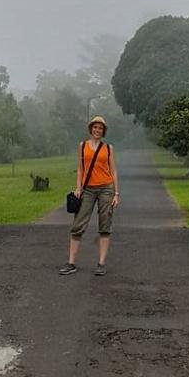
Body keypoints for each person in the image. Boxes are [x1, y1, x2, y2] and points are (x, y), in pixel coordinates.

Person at [59, 116, 119, 276]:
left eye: (100, 128)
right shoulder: (82, 146)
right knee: (78, 224)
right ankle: (71, 262)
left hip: (106, 188)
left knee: (105, 225)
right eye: (95, 127)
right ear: (91, 129)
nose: (97, 130)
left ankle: (101, 264)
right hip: (88, 190)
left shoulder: (108, 148)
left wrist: (116, 193)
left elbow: (113, 171)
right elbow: (80, 168)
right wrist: (78, 188)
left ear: (103, 131)